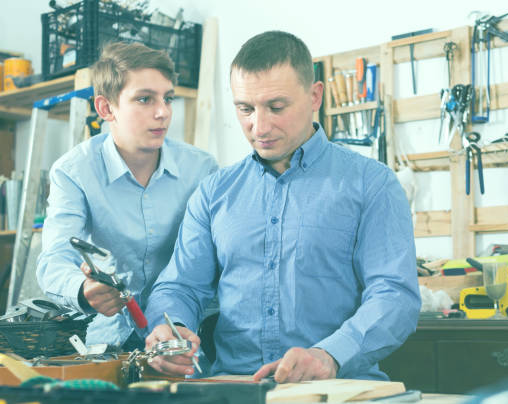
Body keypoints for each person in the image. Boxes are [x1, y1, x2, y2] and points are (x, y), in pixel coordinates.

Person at [144, 30, 420, 382]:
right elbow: (180, 286)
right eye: (245, 109)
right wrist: (173, 326)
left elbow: (395, 295)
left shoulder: (371, 184)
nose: (259, 126)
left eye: (276, 107)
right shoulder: (213, 192)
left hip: (337, 388)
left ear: (315, 95)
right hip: (235, 386)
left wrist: (330, 354)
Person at [36, 41, 218, 350]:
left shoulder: (201, 169)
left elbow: (216, 259)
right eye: (145, 99)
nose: (163, 113)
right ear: (106, 108)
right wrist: (83, 289)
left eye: (168, 99)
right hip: (111, 336)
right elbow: (55, 258)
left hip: (186, 333)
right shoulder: (73, 171)